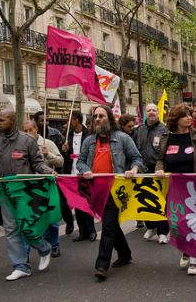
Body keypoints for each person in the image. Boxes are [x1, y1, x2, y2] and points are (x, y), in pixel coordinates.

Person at [0, 110, 55, 281]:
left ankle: (44, 248)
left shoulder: (27, 140)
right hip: (6, 192)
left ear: (12, 121)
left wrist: (50, 172)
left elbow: (37, 163)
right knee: (11, 229)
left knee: (27, 228)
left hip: (26, 192)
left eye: (1, 120)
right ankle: (20, 266)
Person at [76, 105, 144, 281]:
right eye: (95, 116)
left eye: (101, 116)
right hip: (96, 191)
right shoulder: (88, 141)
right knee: (111, 224)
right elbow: (81, 162)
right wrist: (85, 170)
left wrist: (134, 169)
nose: (98, 119)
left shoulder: (122, 138)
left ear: (109, 119)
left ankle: (101, 265)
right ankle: (125, 254)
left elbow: (137, 158)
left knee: (107, 226)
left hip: (116, 189)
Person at [155, 103, 196, 275]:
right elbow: (160, 159)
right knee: (178, 223)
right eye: (186, 115)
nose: (190, 117)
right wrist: (159, 168)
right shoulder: (166, 137)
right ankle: (185, 249)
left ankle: (195, 259)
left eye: (191, 114)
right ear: (176, 119)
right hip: (175, 188)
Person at [22, 120, 64, 257]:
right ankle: (25, 252)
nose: (28, 134)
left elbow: (60, 161)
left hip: (46, 186)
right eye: (25, 131)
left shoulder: (48, 144)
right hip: (28, 188)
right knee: (28, 220)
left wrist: (48, 155)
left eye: (30, 130)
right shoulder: (21, 146)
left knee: (50, 219)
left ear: (36, 130)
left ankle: (54, 244)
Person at [132, 104, 169, 243]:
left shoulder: (164, 129)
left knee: (160, 201)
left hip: (159, 169)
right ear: (145, 113)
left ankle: (162, 232)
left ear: (158, 112)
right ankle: (150, 226)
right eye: (149, 110)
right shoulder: (139, 130)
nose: (151, 112)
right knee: (145, 199)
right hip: (143, 170)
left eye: (154, 110)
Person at [33, 111, 73, 234]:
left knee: (62, 203)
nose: (45, 123)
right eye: (41, 120)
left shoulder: (55, 134)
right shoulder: (28, 140)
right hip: (38, 180)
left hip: (56, 175)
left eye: (47, 120)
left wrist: (65, 149)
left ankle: (69, 221)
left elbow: (62, 156)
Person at [62, 111, 98, 242]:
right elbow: (66, 157)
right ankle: (83, 231)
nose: (67, 123)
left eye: (69, 120)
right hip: (72, 173)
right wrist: (65, 151)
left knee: (87, 203)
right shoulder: (68, 135)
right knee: (77, 204)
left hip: (85, 173)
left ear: (76, 120)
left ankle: (92, 230)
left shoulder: (89, 134)